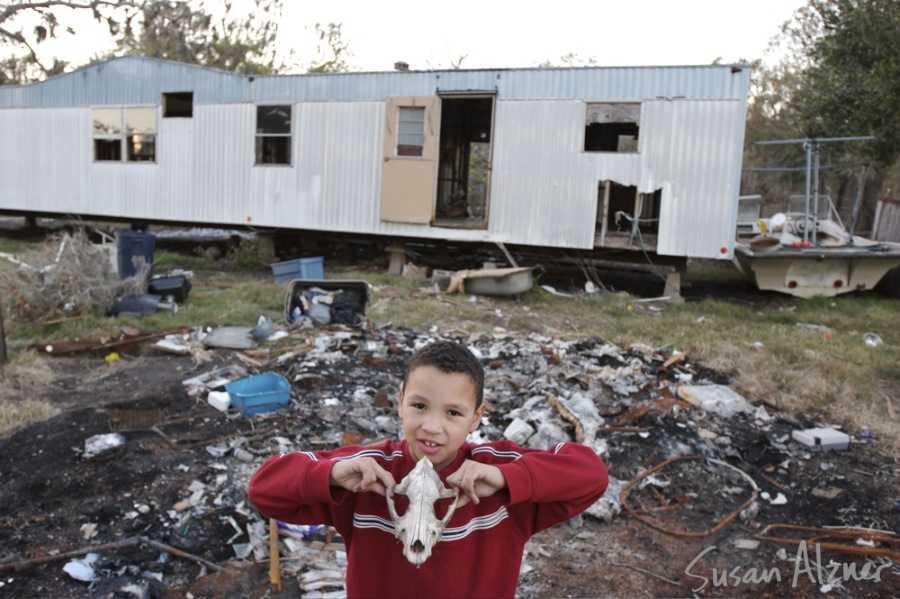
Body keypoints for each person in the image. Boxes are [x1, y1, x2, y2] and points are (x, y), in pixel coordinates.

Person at [248, 340, 609, 598]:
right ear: (400, 401)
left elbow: (591, 475)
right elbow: (263, 490)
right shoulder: (368, 474)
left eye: (453, 413)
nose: (432, 427)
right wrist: (329, 475)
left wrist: (507, 479)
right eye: (420, 406)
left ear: (476, 418)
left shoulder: (499, 478)